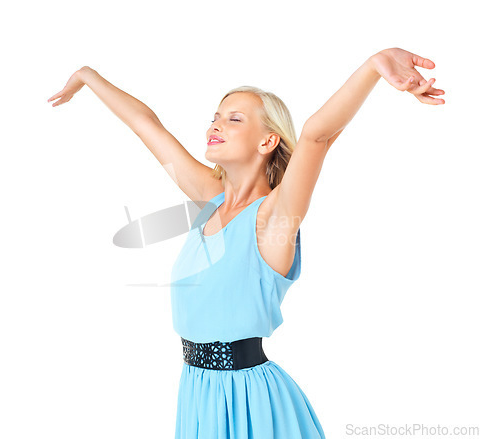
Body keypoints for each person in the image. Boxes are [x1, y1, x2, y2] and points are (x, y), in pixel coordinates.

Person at [48, 47, 445, 438]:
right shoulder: (211, 199)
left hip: (248, 400)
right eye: (215, 117)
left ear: (268, 141)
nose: (215, 126)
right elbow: (146, 124)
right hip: (197, 393)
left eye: (234, 119)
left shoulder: (274, 217)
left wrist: (374, 67)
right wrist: (86, 75)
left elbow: (317, 135)